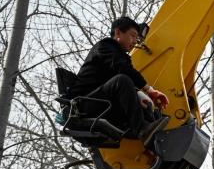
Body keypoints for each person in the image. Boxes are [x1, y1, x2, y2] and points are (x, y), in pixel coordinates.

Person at [68, 16, 170, 146]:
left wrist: (143, 99)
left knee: (143, 103)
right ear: (118, 33)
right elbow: (122, 69)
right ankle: (142, 130)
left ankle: (155, 134)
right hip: (82, 105)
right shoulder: (105, 46)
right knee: (122, 80)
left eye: (137, 37)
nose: (135, 42)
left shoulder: (120, 56)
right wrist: (150, 91)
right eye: (133, 36)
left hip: (100, 102)